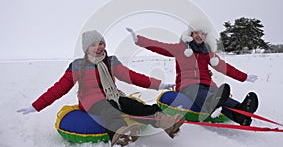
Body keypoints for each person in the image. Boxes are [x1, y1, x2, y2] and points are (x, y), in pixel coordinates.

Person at [17, 30, 183, 146]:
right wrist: (36, 106)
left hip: (113, 95)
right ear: (86, 49)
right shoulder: (78, 66)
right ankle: (120, 135)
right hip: (91, 101)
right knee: (108, 110)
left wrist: (158, 84)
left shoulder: (111, 61)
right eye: (93, 44)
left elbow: (132, 76)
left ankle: (165, 122)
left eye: (101, 43)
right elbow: (59, 88)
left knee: (134, 106)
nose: (99, 47)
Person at [126, 26, 259, 126]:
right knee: (199, 92)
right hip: (187, 85)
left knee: (218, 95)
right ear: (190, 34)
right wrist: (139, 40)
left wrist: (244, 77)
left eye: (203, 34)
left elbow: (224, 67)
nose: (199, 36)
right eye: (197, 32)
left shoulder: (207, 53)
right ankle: (211, 105)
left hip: (208, 84)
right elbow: (160, 46)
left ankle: (240, 113)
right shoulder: (180, 49)